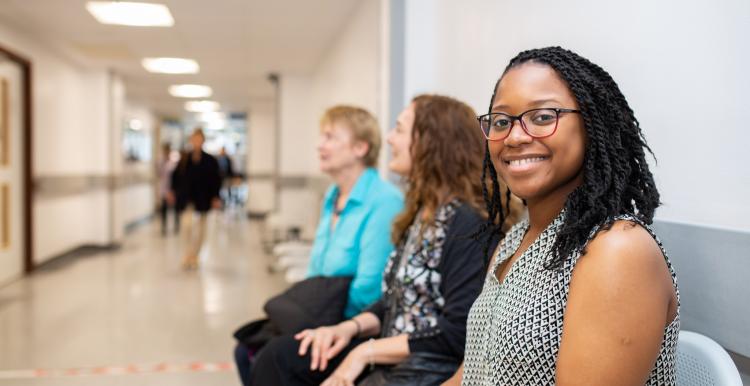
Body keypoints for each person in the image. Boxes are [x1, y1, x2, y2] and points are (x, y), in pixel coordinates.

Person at [442, 47, 680, 386]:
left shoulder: (615, 249)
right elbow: (472, 375)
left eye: (542, 117)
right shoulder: (516, 239)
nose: (515, 136)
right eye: (501, 121)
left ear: (592, 124)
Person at [247, 95, 523, 386]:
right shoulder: (424, 213)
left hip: (426, 364)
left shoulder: (467, 222)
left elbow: (456, 333)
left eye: (400, 130)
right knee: (279, 355)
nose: (389, 138)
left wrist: (364, 353)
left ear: (432, 143)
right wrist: (347, 329)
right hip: (394, 348)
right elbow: (393, 298)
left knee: (281, 360)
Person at [234, 106, 403, 385]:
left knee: (272, 356)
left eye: (330, 137)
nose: (319, 145)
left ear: (360, 147)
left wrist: (319, 326)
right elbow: (317, 268)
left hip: (356, 325)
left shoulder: (384, 201)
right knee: (246, 347)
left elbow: (369, 290)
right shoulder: (333, 195)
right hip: (323, 311)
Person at [170, 128, 222, 269]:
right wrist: (172, 192)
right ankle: (187, 254)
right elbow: (175, 177)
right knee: (186, 226)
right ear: (191, 140)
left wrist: (216, 197)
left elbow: (216, 180)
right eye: (194, 139)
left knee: (201, 230)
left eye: (199, 139)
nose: (196, 142)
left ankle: (195, 255)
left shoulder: (210, 160)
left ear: (203, 141)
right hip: (187, 199)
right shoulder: (184, 159)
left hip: (204, 199)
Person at [157, 143, 177, 235]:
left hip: (173, 188)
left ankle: (176, 226)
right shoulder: (160, 162)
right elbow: (159, 174)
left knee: (175, 208)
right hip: (164, 188)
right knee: (164, 208)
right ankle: (164, 227)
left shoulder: (173, 162)